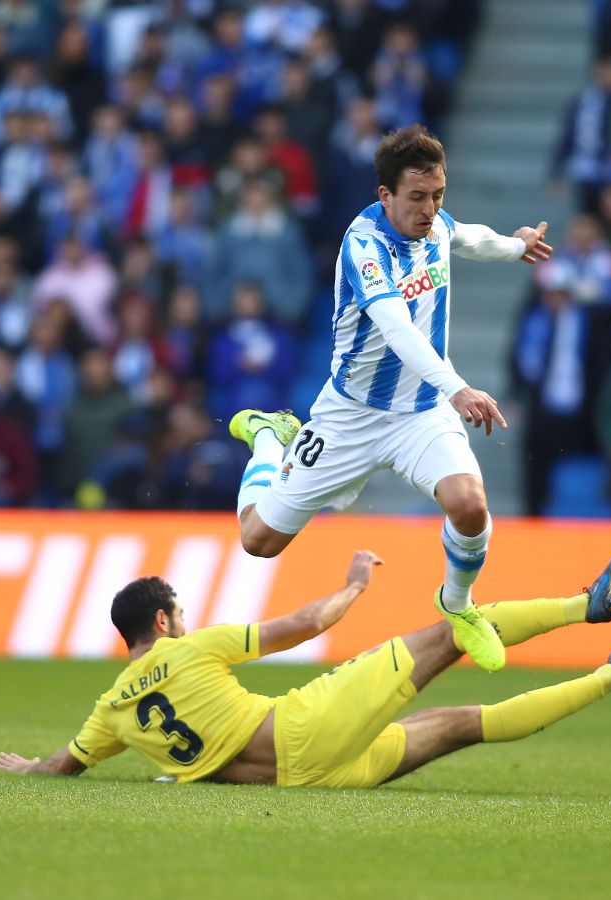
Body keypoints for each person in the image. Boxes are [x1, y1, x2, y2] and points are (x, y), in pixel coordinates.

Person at [226, 125, 554, 672]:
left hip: (420, 413)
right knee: (258, 541)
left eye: (438, 195)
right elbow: (399, 330)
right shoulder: (365, 247)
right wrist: (459, 388)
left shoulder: (434, 225)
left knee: (471, 505)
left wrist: (517, 245)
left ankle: (457, 603)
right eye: (418, 198)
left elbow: (465, 235)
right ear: (385, 196)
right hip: (349, 416)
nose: (430, 209)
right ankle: (267, 436)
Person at [0, 550, 611, 787]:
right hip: (306, 728)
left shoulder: (111, 709)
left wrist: (26, 768)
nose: (185, 621)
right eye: (179, 612)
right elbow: (306, 623)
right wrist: (355, 583)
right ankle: (581, 606)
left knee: (455, 725)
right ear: (162, 623)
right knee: (452, 630)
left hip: (304, 782)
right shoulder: (190, 648)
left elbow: (64, 764)